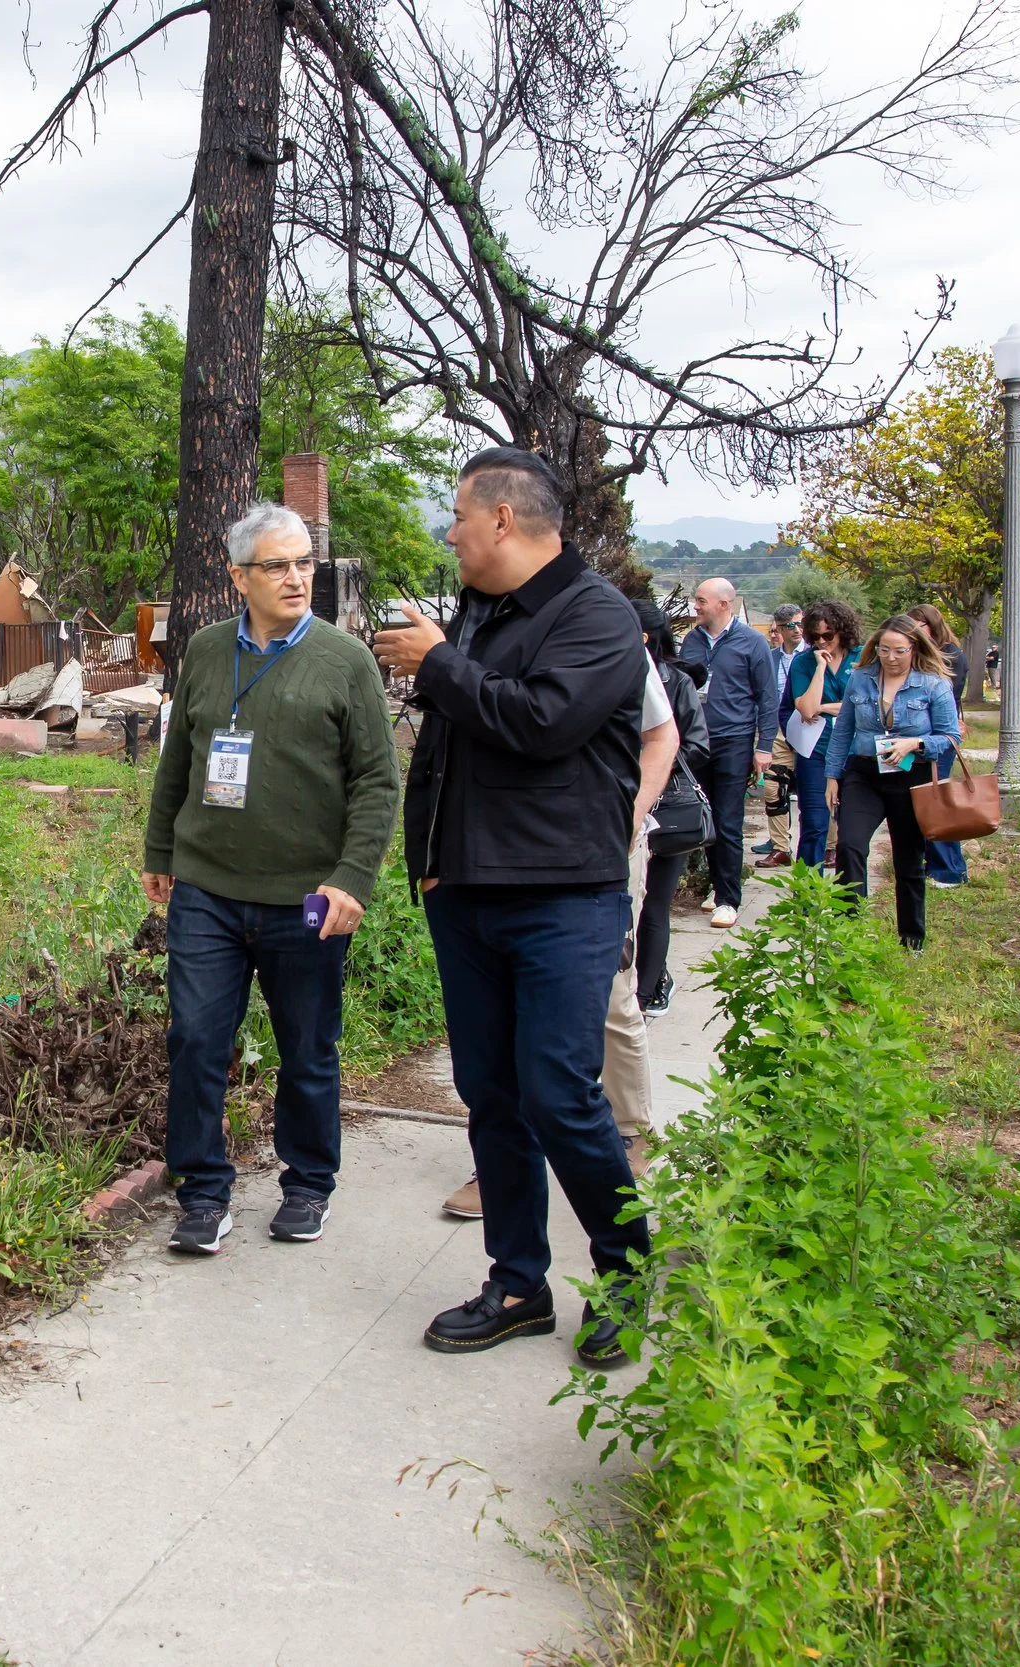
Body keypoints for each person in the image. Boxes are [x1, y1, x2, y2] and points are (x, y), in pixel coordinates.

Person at [373, 447, 651, 1370]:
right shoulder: (482, 613)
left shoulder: (599, 617)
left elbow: (543, 723)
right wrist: (431, 867)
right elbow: (455, 747)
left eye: (458, 514)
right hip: (469, 893)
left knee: (559, 1092)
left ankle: (624, 1276)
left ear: (501, 518)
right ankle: (519, 1283)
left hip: (564, 898)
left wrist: (440, 663)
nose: (448, 532)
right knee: (491, 1092)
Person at [142, 502, 400, 1253]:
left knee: (308, 1048)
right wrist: (161, 851)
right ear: (238, 577)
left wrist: (353, 878)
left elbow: (378, 783)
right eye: (277, 566)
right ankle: (203, 1192)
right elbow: (180, 762)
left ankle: (309, 1183)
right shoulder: (209, 650)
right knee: (194, 1038)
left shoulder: (343, 660)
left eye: (304, 565)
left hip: (306, 897)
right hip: (208, 889)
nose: (295, 579)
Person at [452, 631, 679, 1222]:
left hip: (596, 845)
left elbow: (661, 734)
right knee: (508, 1016)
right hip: (510, 849)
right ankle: (505, 1161)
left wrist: (630, 813)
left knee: (606, 991)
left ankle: (629, 1132)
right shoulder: (489, 626)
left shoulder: (602, 630)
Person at [824, 615, 962, 951]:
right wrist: (832, 776)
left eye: (899, 651)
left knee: (908, 859)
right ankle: (850, 932)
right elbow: (843, 730)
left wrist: (914, 744)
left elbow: (951, 736)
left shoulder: (933, 683)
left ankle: (912, 938)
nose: (891, 657)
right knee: (849, 846)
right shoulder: (860, 678)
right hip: (864, 772)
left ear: (914, 649)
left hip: (911, 776)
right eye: (884, 649)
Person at [677, 577, 777, 929]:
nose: (696, 605)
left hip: (734, 740)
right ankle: (718, 885)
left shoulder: (752, 643)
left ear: (724, 604)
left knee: (729, 819)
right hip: (696, 742)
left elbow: (768, 697)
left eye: (701, 600)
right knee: (704, 818)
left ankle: (728, 899)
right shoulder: (691, 641)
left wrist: (764, 747)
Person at [634, 599, 709, 1018]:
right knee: (628, 903)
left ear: (642, 637)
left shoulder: (676, 682)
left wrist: (655, 766)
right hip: (621, 805)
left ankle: (649, 991)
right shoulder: (608, 677)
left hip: (667, 808)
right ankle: (642, 979)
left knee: (656, 903)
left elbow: (697, 745)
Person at [784, 600, 859, 868]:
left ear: (842, 631)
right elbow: (806, 708)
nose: (822, 641)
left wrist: (826, 706)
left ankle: (851, 905)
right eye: (814, 636)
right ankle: (806, 900)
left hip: (855, 751)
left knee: (852, 834)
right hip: (815, 751)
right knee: (814, 825)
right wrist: (820, 668)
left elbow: (868, 705)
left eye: (828, 635)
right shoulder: (804, 662)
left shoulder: (862, 658)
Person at [907, 603, 970, 887]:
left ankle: (949, 869)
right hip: (927, 738)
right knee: (927, 800)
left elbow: (944, 698)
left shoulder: (949, 655)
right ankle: (937, 865)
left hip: (938, 737)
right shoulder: (938, 652)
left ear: (931, 625)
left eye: (917, 626)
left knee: (936, 802)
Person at [755, 605, 803, 867]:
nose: (795, 630)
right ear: (780, 629)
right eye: (789, 626)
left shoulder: (814, 655)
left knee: (815, 789)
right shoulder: (770, 658)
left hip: (810, 727)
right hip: (778, 729)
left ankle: (830, 847)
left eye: (799, 624)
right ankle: (781, 846)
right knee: (774, 787)